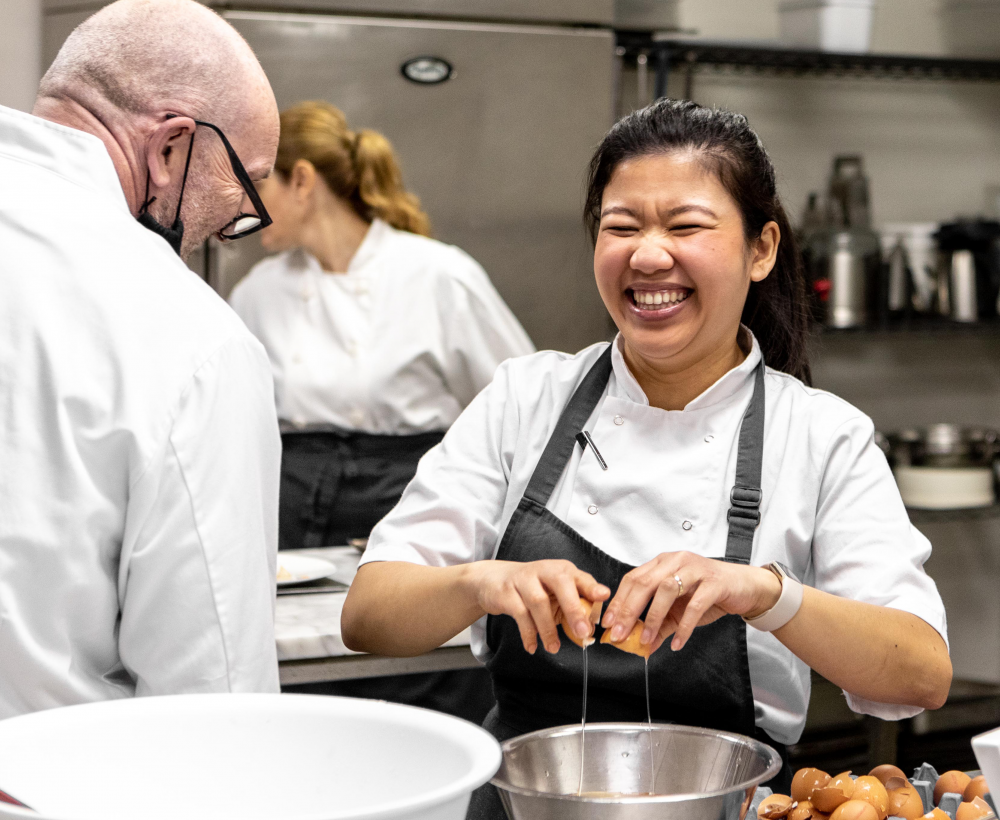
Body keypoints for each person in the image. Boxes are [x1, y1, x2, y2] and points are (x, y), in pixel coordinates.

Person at [341, 100, 952, 816]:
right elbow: (369, 615)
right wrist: (481, 583)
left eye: (686, 226)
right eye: (621, 227)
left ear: (762, 249)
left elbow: (919, 675)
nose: (648, 254)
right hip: (519, 804)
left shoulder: (822, 436)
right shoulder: (524, 398)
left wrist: (766, 594)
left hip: (723, 805)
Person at [0, 0, 283, 718]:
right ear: (169, 147)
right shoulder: (190, 340)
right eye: (243, 185)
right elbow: (212, 697)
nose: (228, 229)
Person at [229, 100, 534, 551]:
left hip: (407, 511)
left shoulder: (438, 276)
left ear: (302, 181)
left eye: (257, 184)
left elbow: (522, 411)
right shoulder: (259, 290)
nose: (241, 201)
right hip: (288, 519)